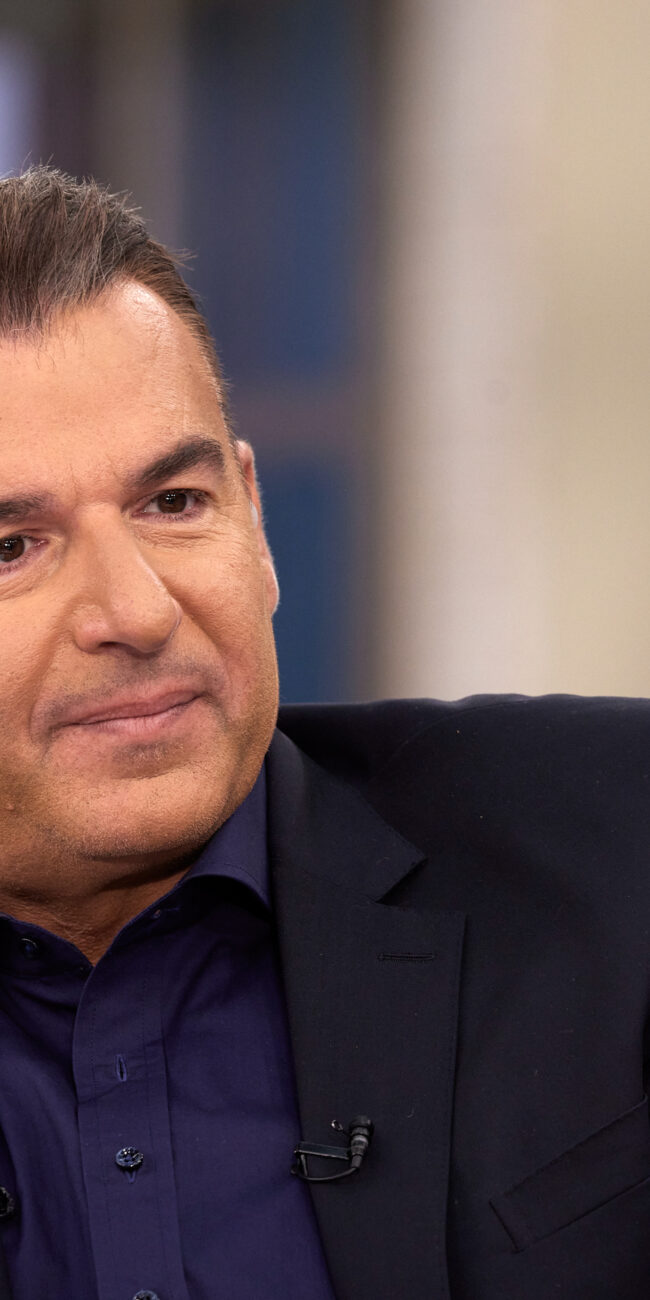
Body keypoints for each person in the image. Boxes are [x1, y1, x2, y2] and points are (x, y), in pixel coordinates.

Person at [0, 165, 647, 1300]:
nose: (138, 611)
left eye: (174, 503)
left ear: (254, 521)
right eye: (12, 548)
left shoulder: (620, 849)